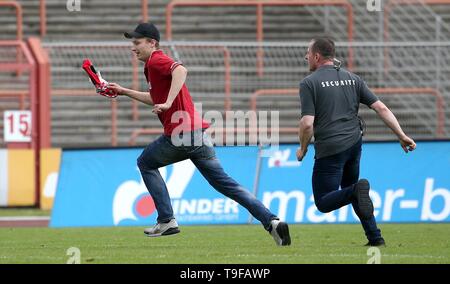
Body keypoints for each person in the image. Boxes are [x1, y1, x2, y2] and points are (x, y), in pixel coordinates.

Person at [108, 22, 291, 246]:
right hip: (197, 134)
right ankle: (272, 221)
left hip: (182, 132)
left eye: (137, 43)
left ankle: (166, 220)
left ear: (152, 43)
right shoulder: (152, 65)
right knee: (227, 185)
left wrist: (167, 102)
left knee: (145, 163)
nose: (132, 47)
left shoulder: (156, 59)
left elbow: (181, 70)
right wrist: (123, 91)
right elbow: (155, 98)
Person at [296, 38, 416, 246]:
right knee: (356, 192)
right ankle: (375, 237)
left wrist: (303, 148)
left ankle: (355, 191)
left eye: (308, 53)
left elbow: (307, 124)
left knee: (324, 202)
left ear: (316, 56)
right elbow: (381, 108)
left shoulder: (309, 83)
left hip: (330, 148)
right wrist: (401, 135)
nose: (306, 57)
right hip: (354, 144)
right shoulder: (353, 78)